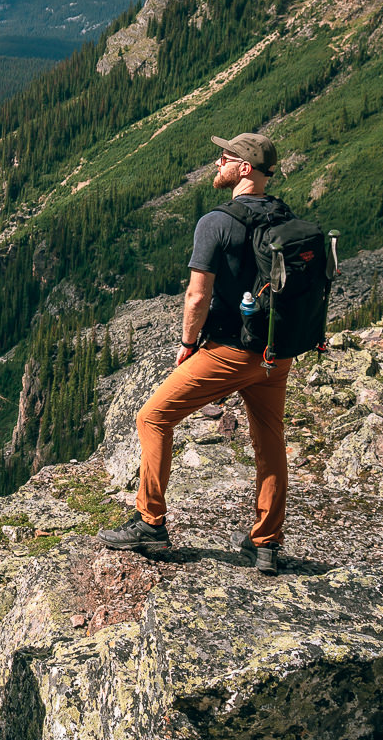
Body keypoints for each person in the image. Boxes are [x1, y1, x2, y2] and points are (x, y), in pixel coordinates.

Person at [97, 132, 293, 575]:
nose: (218, 161)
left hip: (232, 350)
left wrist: (188, 345)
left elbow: (196, 296)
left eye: (226, 157)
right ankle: (265, 544)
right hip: (276, 354)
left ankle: (151, 523)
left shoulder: (216, 222)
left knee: (152, 417)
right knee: (269, 440)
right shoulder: (284, 217)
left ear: (245, 169)